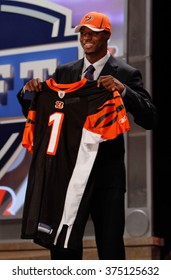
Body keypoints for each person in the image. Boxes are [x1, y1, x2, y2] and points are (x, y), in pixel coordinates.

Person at [17, 11, 158, 260]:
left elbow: (150, 118)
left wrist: (123, 90)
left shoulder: (125, 73)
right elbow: (44, 116)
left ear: (106, 35)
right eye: (82, 32)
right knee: (63, 246)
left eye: (91, 32)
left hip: (106, 178)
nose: (86, 37)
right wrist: (29, 93)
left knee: (110, 249)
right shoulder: (64, 73)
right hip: (67, 178)